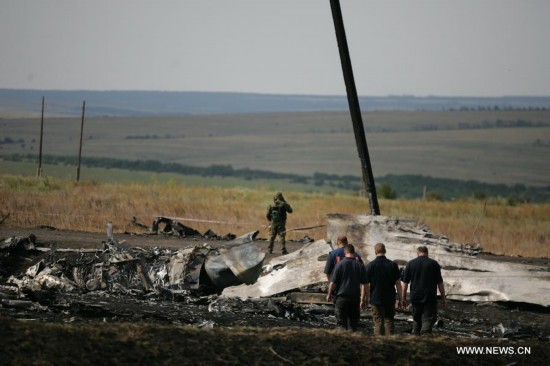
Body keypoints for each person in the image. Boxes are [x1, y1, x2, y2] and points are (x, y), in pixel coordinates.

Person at [401, 245, 446, 335]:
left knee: (416, 319)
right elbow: (440, 283)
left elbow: (405, 283)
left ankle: (416, 337)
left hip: (415, 296)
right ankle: (425, 335)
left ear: (417, 253)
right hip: (430, 297)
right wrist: (443, 297)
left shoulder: (411, 263)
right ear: (427, 253)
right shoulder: (434, 264)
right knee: (428, 318)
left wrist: (403, 298)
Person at [326, 244, 368, 331]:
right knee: (353, 324)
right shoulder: (360, 266)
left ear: (345, 252)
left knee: (341, 324)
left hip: (341, 298)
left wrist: (329, 294)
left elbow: (332, 282)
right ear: (354, 252)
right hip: (355, 298)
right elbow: (365, 284)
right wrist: (365, 298)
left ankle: (343, 342)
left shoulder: (339, 265)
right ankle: (353, 341)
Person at [364, 242, 403, 336]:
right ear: (385, 251)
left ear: (375, 251)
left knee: (378, 321)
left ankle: (378, 343)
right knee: (389, 320)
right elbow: (398, 283)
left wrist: (364, 298)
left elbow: (365, 284)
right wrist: (401, 298)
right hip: (390, 298)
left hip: (375, 298)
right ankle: (389, 342)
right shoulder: (393, 265)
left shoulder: (370, 265)